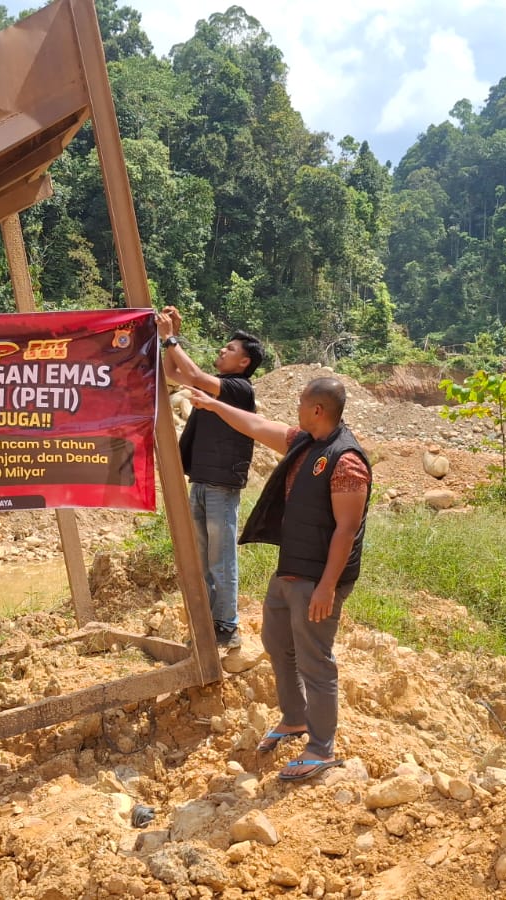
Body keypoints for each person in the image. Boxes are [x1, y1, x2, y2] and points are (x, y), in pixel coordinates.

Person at [188, 376, 372, 781]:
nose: (296, 408)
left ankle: (321, 748)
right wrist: (214, 405)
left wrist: (326, 586)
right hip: (290, 568)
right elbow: (256, 425)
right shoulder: (305, 442)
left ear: (317, 410)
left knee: (315, 661)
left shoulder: (347, 460)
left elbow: (346, 530)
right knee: (276, 642)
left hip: (318, 578)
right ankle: (295, 718)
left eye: (301, 403)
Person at [155, 307, 263, 649]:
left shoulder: (239, 389)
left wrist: (172, 337)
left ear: (244, 363)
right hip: (201, 481)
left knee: (221, 559)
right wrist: (169, 339)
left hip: (221, 486)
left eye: (229, 349)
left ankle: (228, 627)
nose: (222, 350)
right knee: (201, 558)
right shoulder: (220, 387)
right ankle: (207, 625)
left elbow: (195, 376)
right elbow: (174, 372)